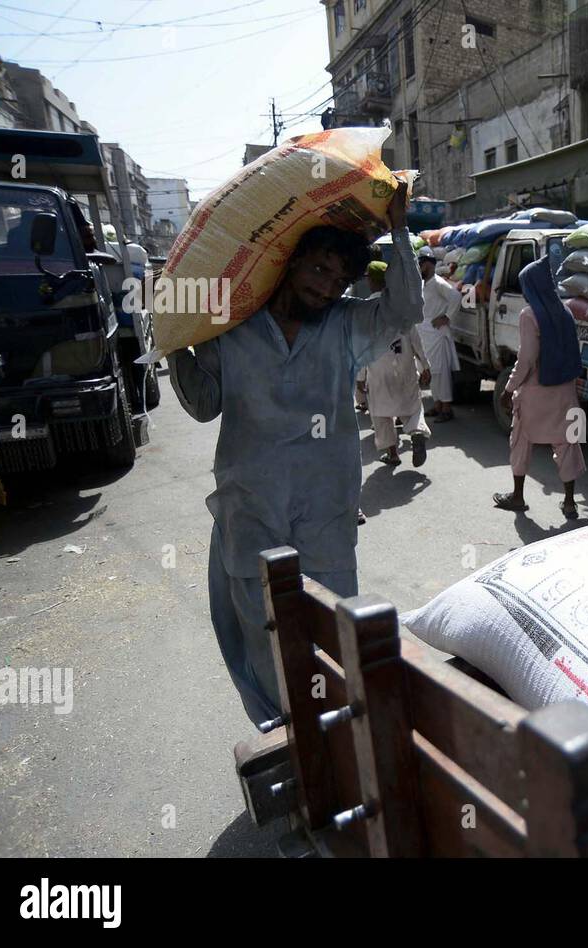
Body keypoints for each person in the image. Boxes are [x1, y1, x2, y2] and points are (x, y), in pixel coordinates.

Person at [167, 185, 422, 728]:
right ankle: (287, 745)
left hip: (325, 512)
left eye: (338, 280)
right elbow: (205, 404)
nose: (327, 287)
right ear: (291, 261)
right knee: (264, 640)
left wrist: (399, 229)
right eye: (319, 269)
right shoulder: (231, 325)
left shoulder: (345, 325)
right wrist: (175, 342)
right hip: (251, 509)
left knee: (332, 633)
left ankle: (341, 743)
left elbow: (406, 306)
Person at [493, 255, 585, 519]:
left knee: (521, 438)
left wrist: (509, 388)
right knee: (566, 443)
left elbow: (527, 358)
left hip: (535, 391)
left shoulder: (529, 314)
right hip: (564, 389)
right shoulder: (565, 310)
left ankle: (518, 496)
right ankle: (569, 502)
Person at [364, 261, 432, 467]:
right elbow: (415, 338)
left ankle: (393, 453)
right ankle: (417, 432)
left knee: (381, 414)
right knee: (412, 406)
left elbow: (361, 347)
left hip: (378, 370)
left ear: (372, 281)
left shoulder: (365, 309)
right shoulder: (401, 307)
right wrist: (425, 365)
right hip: (404, 365)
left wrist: (359, 377)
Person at [416, 245, 461, 423]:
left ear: (429, 264)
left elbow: (456, 298)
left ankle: (447, 408)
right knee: (432, 372)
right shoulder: (423, 284)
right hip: (426, 334)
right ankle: (437, 405)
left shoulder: (438, 283)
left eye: (421, 263)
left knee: (441, 373)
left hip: (437, 334)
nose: (419, 267)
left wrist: (446, 317)